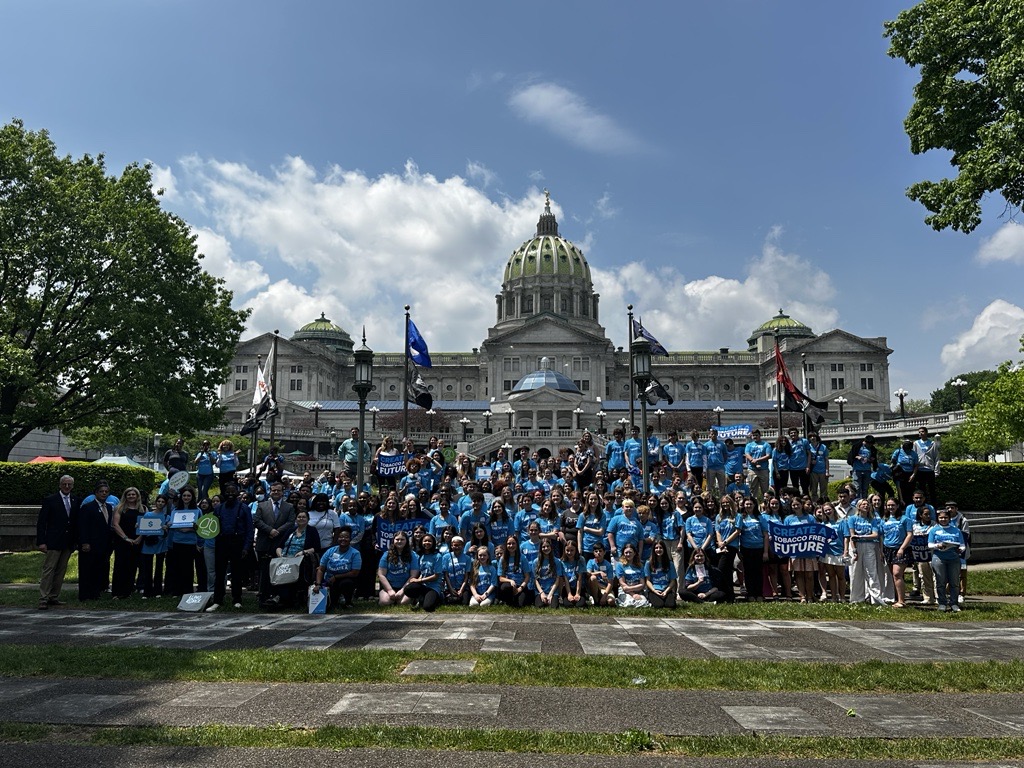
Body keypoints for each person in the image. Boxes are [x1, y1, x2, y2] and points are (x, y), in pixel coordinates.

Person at [207, 483, 254, 611]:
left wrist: (246, 547)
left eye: (233, 492)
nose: (230, 495)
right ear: (224, 493)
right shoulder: (219, 508)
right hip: (222, 542)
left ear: (237, 493)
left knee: (236, 572)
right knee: (219, 572)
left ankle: (237, 599)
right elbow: (212, 527)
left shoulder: (244, 508)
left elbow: (250, 529)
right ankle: (218, 600)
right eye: (228, 492)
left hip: (237, 541)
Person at [36, 475, 79, 609]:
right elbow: (42, 523)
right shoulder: (50, 500)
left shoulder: (76, 500)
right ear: (60, 485)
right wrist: (41, 542)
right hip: (53, 541)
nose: (67, 487)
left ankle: (53, 596)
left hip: (68, 542)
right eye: (64, 484)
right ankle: (43, 597)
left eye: (69, 485)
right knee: (49, 569)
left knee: (61, 570)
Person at [270, 509, 322, 607]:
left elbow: (316, 548)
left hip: (301, 559)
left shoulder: (312, 530)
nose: (301, 519)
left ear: (308, 519)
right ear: (296, 519)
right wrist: (279, 554)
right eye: (299, 517)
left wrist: (303, 552)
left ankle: (292, 598)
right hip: (285, 559)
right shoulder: (291, 530)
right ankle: (277, 597)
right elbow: (279, 546)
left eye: (303, 517)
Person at [254, 482, 296, 604]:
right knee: (264, 571)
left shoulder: (289, 507)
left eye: (278, 490)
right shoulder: (262, 505)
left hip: (280, 543)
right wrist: (270, 530)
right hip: (264, 543)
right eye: (273, 490)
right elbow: (257, 520)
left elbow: (291, 522)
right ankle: (263, 596)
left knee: (278, 571)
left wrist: (277, 531)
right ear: (270, 492)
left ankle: (277, 596)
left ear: (283, 492)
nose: (275, 492)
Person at [846, 499, 890, 605]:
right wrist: (854, 551)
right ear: (858, 506)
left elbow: (875, 534)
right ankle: (856, 599)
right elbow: (852, 536)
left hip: (870, 546)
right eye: (863, 504)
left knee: (872, 572)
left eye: (867, 504)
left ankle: (876, 599)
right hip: (856, 546)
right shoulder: (852, 519)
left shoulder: (872, 520)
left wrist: (861, 536)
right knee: (856, 572)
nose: (866, 506)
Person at [75, 480, 115, 601]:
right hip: (90, 544)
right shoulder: (88, 507)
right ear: (96, 493)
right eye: (101, 492)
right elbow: (83, 526)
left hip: (103, 544)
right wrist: (85, 542)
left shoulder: (108, 507)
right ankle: (85, 594)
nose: (104, 494)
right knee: (87, 569)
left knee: (99, 569)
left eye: (106, 492)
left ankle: (95, 592)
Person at [929, 504, 966, 613]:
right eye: (941, 518)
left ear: (949, 518)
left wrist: (961, 549)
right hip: (939, 558)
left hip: (954, 558)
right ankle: (942, 603)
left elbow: (962, 545)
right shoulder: (933, 530)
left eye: (945, 517)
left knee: (954, 582)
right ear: (938, 519)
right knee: (941, 581)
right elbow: (930, 545)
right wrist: (938, 545)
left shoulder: (956, 530)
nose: (943, 519)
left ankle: (954, 603)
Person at [313, 526, 361, 610]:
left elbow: (354, 573)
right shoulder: (330, 551)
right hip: (329, 581)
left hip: (345, 579)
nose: (343, 539)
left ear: (350, 539)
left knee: (346, 583)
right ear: (337, 538)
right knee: (331, 604)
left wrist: (336, 577)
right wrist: (318, 584)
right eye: (341, 537)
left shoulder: (355, 553)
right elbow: (321, 569)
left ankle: (348, 601)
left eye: (346, 537)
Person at [165, 486, 201, 598]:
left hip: (190, 542)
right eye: (184, 495)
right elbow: (171, 524)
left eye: (189, 495)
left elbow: (200, 527)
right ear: (181, 497)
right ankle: (177, 591)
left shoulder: (198, 510)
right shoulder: (175, 510)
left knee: (188, 567)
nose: (186, 497)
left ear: (192, 497)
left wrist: (192, 528)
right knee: (177, 567)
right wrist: (170, 525)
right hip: (177, 541)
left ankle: (187, 591)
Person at [880, 497, 913, 608]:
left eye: (893, 505)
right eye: (888, 505)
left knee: (897, 574)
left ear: (897, 506)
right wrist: (882, 551)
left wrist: (902, 548)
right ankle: (895, 598)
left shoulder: (905, 519)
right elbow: (881, 536)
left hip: (900, 549)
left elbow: (909, 534)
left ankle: (901, 601)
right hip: (888, 549)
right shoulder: (884, 519)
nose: (890, 507)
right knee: (893, 576)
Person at [405, 533, 444, 611]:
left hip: (434, 586)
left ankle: (439, 597)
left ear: (433, 543)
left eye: (429, 541)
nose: (427, 543)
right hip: (423, 585)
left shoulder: (437, 556)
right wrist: (418, 580)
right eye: (425, 541)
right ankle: (421, 598)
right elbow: (422, 572)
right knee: (408, 589)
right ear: (421, 542)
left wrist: (419, 580)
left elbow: (435, 576)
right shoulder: (421, 556)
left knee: (428, 607)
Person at [644, 539, 677, 608]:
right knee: (659, 605)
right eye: (656, 548)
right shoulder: (648, 563)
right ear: (653, 550)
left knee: (670, 605)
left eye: (661, 548)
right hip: (654, 589)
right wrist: (654, 590)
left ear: (664, 549)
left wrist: (666, 591)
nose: (658, 550)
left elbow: (673, 581)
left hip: (666, 589)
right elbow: (647, 580)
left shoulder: (670, 564)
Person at [614, 543, 649, 607]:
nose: (628, 554)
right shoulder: (620, 565)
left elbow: (642, 584)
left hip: (638, 590)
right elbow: (622, 583)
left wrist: (631, 589)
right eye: (626, 552)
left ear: (634, 553)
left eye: (630, 552)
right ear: (623, 554)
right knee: (629, 603)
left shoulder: (640, 565)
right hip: (625, 591)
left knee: (643, 602)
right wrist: (632, 594)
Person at [443, 536, 473, 605]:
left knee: (464, 603)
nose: (457, 547)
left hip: (462, 586)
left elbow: (466, 576)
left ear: (463, 546)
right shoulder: (446, 557)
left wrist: (461, 590)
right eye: (455, 545)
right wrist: (451, 589)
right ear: (451, 546)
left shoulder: (467, 558)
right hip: (450, 586)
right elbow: (446, 575)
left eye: (459, 545)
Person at [914, 427, 940, 505]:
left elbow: (937, 457)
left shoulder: (932, 443)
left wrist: (936, 471)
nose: (920, 433)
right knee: (921, 490)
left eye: (922, 431)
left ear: (926, 432)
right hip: (920, 470)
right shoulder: (916, 443)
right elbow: (914, 456)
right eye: (919, 432)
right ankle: (922, 505)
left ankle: (933, 506)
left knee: (932, 490)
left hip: (930, 470)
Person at [532, 539, 562, 608]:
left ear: (551, 547)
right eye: (543, 547)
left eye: (548, 546)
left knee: (554, 607)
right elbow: (535, 580)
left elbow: (558, 579)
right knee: (539, 606)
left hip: (552, 590)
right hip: (541, 590)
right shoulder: (536, 562)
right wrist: (542, 593)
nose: (546, 548)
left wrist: (550, 594)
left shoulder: (557, 561)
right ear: (540, 548)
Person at [744, 430, 772, 500]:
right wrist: (752, 460)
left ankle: (766, 505)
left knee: (765, 491)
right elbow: (747, 454)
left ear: (760, 435)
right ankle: (754, 506)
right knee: (752, 490)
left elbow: (768, 455)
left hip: (763, 470)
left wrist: (757, 460)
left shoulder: (766, 444)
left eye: (756, 435)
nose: (755, 437)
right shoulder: (749, 445)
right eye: (754, 435)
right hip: (752, 470)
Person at [586, 542, 616, 606]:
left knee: (611, 602)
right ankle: (596, 601)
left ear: (604, 552)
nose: (598, 553)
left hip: (604, 588)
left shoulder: (608, 565)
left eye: (600, 551)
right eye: (596, 551)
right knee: (593, 577)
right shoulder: (591, 562)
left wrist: (604, 596)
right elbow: (588, 573)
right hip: (593, 587)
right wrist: (599, 572)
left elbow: (610, 583)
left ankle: (601, 599)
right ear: (593, 553)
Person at [560, 539, 586, 608]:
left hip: (578, 587)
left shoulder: (581, 560)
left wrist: (577, 594)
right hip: (567, 588)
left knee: (579, 605)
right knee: (568, 605)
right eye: (567, 550)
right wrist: (569, 594)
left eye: (572, 550)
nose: (569, 552)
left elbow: (579, 579)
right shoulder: (562, 562)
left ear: (576, 550)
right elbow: (565, 580)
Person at [787, 428, 812, 497]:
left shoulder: (804, 441)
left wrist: (808, 466)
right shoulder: (788, 443)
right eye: (791, 433)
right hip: (792, 468)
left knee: (805, 487)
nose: (793, 434)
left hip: (803, 468)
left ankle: (807, 502)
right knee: (795, 488)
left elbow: (809, 454)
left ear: (798, 433)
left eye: (794, 432)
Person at [704, 428, 728, 498]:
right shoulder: (706, 445)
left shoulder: (722, 444)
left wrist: (722, 462)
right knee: (709, 486)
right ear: (709, 435)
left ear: (717, 434)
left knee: (722, 486)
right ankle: (709, 500)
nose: (713, 435)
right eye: (712, 434)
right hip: (710, 468)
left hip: (720, 467)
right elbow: (704, 457)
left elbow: (725, 455)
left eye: (715, 434)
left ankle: (722, 500)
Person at [808, 432, 829, 502]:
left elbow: (826, 459)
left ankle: (823, 503)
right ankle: (814, 503)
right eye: (811, 437)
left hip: (822, 471)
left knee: (824, 489)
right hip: (813, 471)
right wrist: (811, 462)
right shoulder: (808, 447)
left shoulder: (823, 447)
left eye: (814, 436)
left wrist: (827, 471)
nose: (812, 438)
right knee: (813, 489)